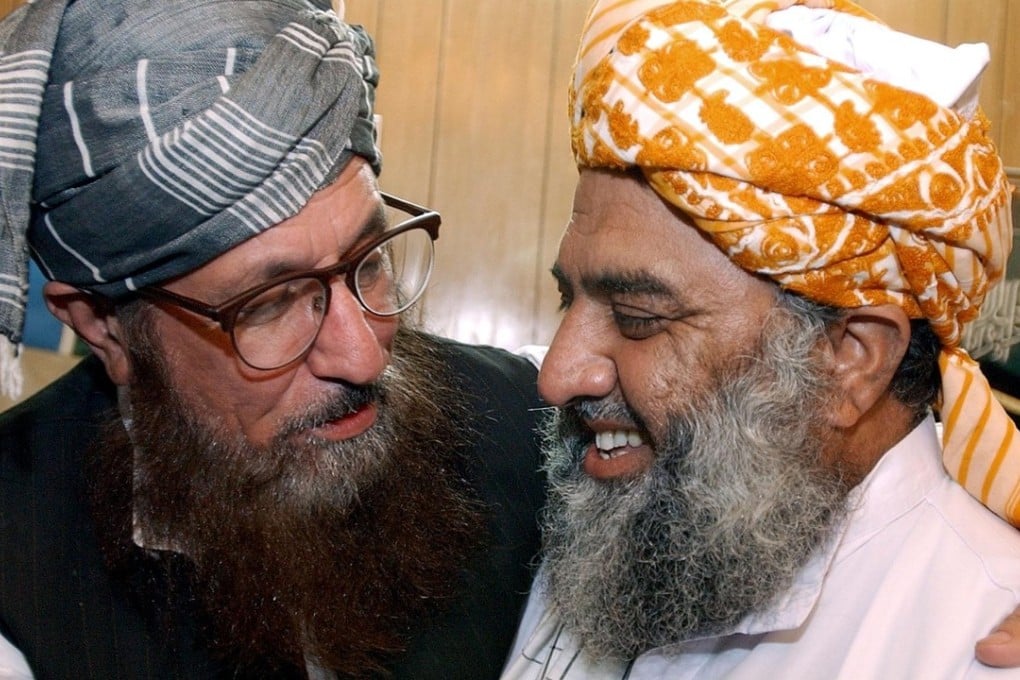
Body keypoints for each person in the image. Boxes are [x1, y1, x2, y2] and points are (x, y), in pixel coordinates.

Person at [0, 1, 546, 678]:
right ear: (102, 326)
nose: (364, 354)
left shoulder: (533, 427)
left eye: (370, 260)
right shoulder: (15, 587)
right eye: (270, 304)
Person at [501, 0, 1020, 677]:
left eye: (637, 318)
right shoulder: (628, 510)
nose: (557, 374)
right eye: (568, 297)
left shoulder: (973, 642)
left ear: (850, 358)